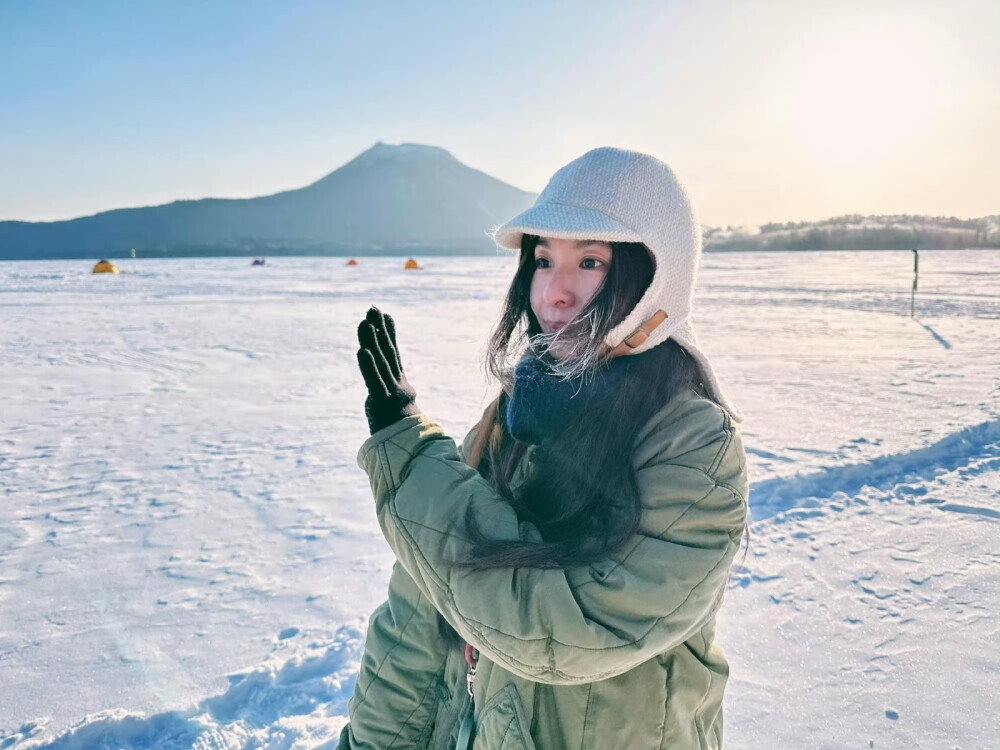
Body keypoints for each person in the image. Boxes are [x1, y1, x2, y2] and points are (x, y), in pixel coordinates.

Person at [341, 148, 748, 750]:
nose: (553, 293)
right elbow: (416, 617)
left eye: (589, 261)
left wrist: (413, 461)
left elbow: (568, 635)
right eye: (542, 259)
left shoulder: (693, 448)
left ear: (655, 278)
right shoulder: (509, 418)